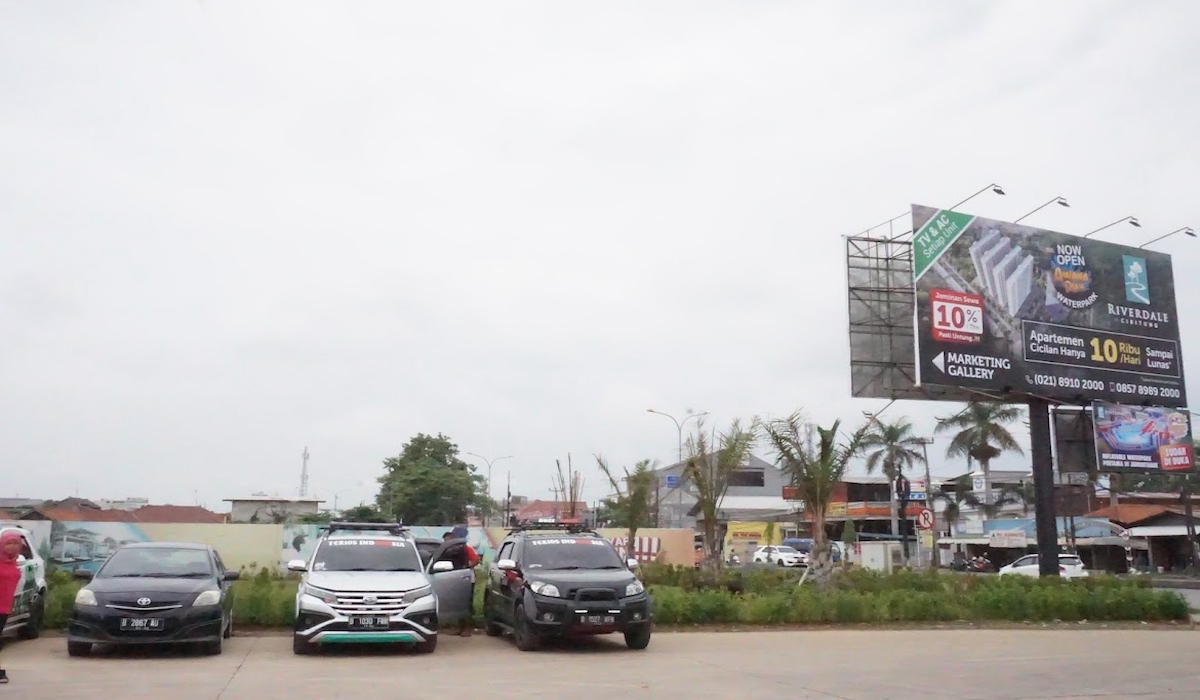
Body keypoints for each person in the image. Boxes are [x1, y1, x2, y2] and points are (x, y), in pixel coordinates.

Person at [442, 527, 479, 636]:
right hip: (453, 579)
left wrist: (467, 567)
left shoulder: (465, 548)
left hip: (467, 579)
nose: (446, 543)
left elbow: (476, 559)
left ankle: (468, 628)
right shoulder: (448, 550)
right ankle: (459, 627)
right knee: (456, 604)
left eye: (448, 540)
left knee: (467, 604)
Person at [0, 531, 25, 684]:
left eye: (15, 543)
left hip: (4, 607)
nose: (12, 547)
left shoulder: (14, 562)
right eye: (8, 543)